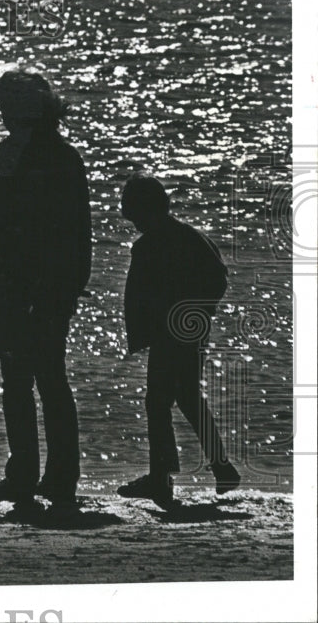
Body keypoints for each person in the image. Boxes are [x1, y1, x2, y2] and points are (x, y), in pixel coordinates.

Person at [0, 70, 92, 514]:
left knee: (20, 379)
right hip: (51, 282)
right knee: (49, 378)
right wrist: (75, 281)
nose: (0, 113)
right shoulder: (66, 158)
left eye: (5, 104)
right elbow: (81, 233)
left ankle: (26, 473)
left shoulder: (9, 158)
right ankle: (59, 477)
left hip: (15, 280)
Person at [118, 173, 240, 507]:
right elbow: (217, 278)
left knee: (158, 402)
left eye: (135, 215)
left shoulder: (153, 245)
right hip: (188, 331)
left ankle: (162, 477)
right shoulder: (189, 236)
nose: (135, 224)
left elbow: (141, 299)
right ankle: (220, 467)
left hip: (171, 335)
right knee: (186, 397)